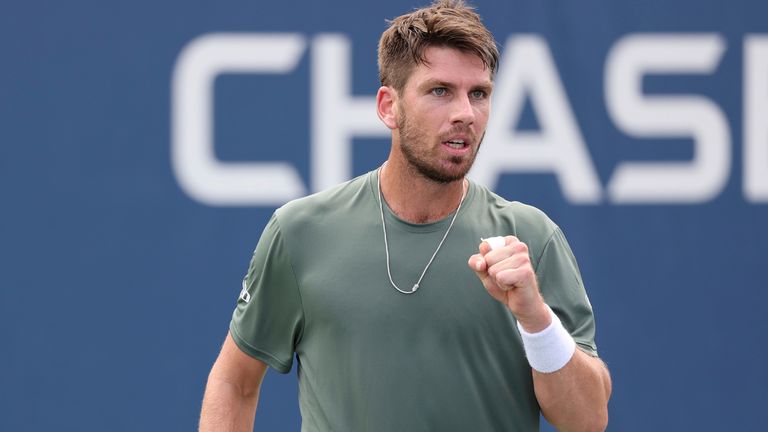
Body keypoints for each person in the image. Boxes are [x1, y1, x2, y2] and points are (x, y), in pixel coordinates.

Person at [199, 0, 612, 430]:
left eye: (479, 94)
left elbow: (587, 420)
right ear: (388, 107)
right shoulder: (299, 232)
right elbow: (235, 382)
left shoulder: (532, 240)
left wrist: (534, 317)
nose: (465, 114)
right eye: (439, 91)